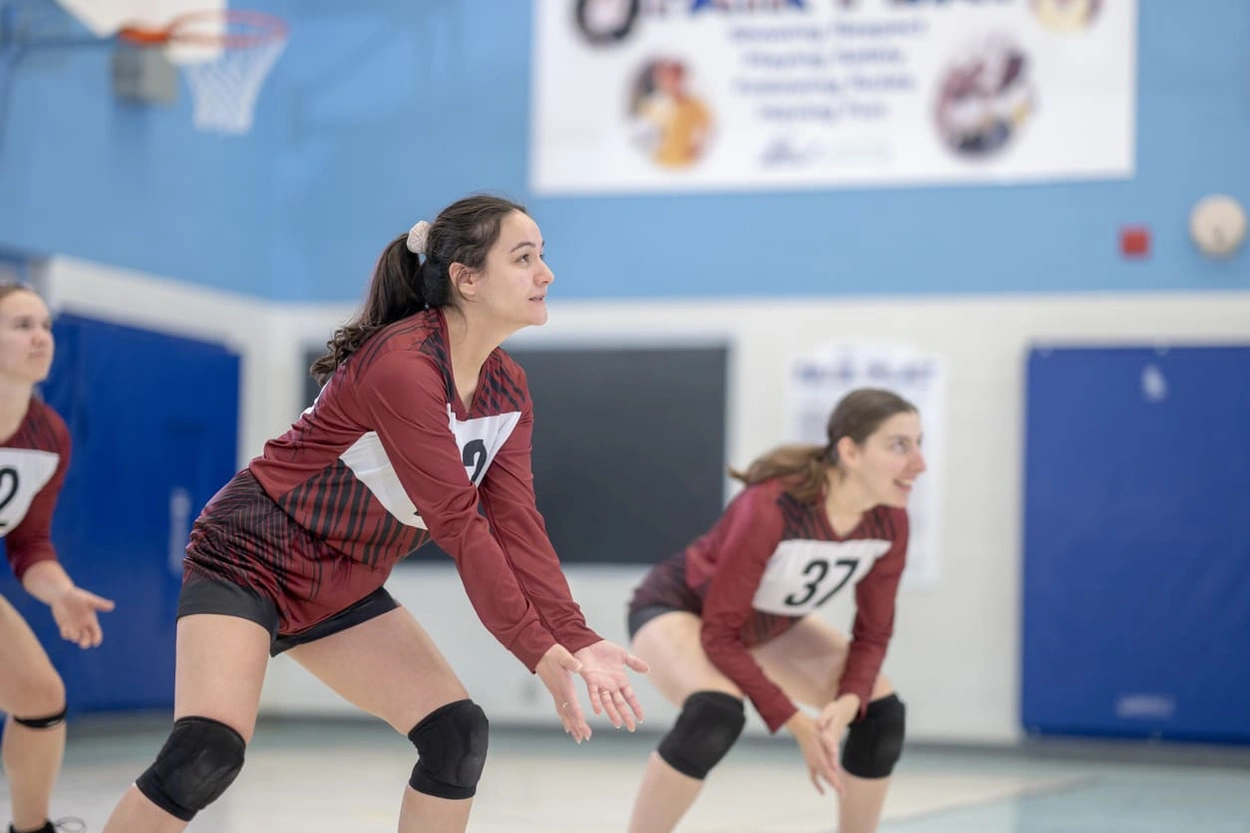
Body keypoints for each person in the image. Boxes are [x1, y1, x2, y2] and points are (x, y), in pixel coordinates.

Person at [100, 195, 649, 833]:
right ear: (466, 279)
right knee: (206, 751)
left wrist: (575, 638)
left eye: (542, 257)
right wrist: (535, 648)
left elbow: (518, 527)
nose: (545, 273)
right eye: (524, 258)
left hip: (345, 578)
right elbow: (460, 526)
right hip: (251, 554)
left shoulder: (508, 388)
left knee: (456, 736)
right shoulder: (403, 364)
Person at [625, 388, 926, 833]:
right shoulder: (772, 506)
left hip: (766, 624)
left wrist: (848, 700)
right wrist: (796, 722)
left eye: (919, 444)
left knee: (879, 715)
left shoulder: (890, 522)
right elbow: (719, 634)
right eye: (899, 445)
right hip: (680, 608)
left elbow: (873, 633)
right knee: (715, 713)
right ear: (850, 452)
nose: (919, 463)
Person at [0, 283, 116, 833]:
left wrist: (61, 592)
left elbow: (28, 544)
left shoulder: (48, 435)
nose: (40, 337)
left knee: (40, 696)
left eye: (45, 326)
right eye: (22, 325)